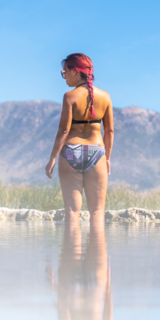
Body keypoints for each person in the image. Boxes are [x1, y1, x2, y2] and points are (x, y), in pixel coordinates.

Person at [45, 53, 114, 217]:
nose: (64, 77)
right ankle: (97, 244)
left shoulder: (69, 97)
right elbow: (109, 131)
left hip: (70, 152)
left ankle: (70, 244)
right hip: (97, 153)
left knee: (72, 212)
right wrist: (108, 159)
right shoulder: (105, 97)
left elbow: (63, 130)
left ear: (75, 71)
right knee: (97, 212)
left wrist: (52, 159)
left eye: (64, 72)